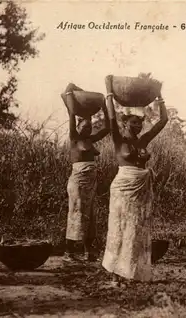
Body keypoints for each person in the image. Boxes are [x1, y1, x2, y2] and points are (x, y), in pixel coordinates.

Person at [101, 75, 168, 285]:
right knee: (119, 228)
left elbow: (163, 121)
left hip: (140, 189)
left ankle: (131, 272)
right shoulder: (118, 138)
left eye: (139, 123)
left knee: (135, 229)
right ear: (124, 123)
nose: (137, 126)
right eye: (133, 123)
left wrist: (159, 96)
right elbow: (111, 119)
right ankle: (114, 274)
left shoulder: (143, 140)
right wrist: (109, 93)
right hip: (123, 187)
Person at [63, 83, 110, 262]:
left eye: (90, 125)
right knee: (76, 212)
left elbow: (107, 128)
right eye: (85, 125)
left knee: (90, 214)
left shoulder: (91, 139)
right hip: (78, 180)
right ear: (78, 125)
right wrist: (69, 94)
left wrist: (105, 107)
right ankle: (69, 252)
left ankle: (88, 251)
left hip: (91, 181)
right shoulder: (74, 138)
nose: (88, 127)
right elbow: (71, 114)